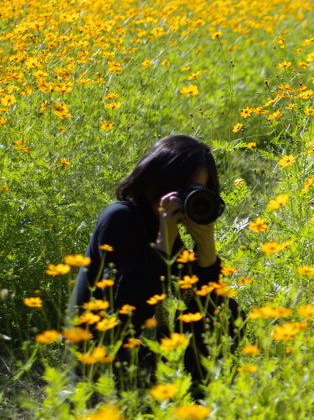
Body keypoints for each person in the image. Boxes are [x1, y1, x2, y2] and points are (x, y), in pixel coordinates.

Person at [68, 134, 240, 398]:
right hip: (101, 360)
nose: (187, 199)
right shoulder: (121, 218)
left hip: (142, 353)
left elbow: (202, 300)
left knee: (229, 313)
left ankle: (203, 394)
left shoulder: (161, 224)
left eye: (197, 191)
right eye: (182, 189)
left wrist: (206, 245)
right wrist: (163, 241)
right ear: (158, 178)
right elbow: (127, 309)